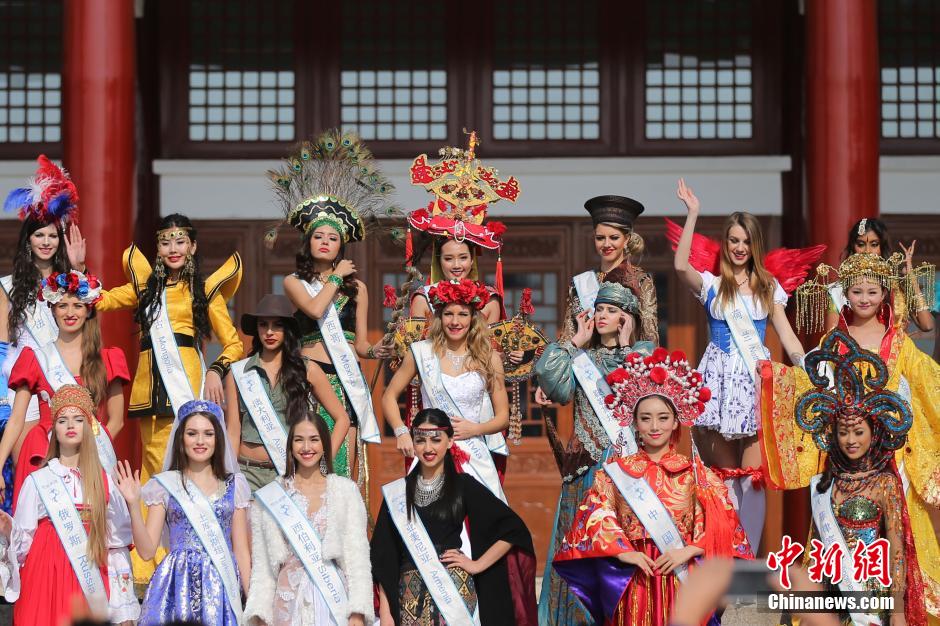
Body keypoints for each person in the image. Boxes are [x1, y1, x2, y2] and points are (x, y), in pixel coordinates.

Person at [762, 252, 940, 623]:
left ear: (885, 293)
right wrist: (774, 379)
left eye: (872, 291)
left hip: (893, 459)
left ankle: (898, 611)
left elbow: (926, 384)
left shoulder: (899, 341)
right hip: (845, 452)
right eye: (856, 291)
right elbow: (812, 384)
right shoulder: (834, 339)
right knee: (837, 533)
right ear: (845, 293)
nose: (863, 299)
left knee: (896, 534)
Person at [669, 178, 823, 552]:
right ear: (727, 243)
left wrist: (809, 368)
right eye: (733, 240)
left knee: (753, 477)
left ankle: (747, 555)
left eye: (745, 241)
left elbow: (786, 336)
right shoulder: (711, 284)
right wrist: (693, 214)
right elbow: (678, 264)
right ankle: (723, 547)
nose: (739, 248)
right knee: (722, 477)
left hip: (755, 384)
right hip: (718, 383)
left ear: (755, 246)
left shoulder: (770, 288)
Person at [552, 348, 752, 626]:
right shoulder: (616, 474)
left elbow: (724, 526)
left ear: (675, 422)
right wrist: (624, 551)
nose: (654, 426)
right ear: (634, 421)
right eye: (645, 418)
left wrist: (690, 550)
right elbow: (595, 518)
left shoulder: (697, 474)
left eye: (663, 418)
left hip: (683, 573)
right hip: (635, 575)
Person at [96, 213, 243, 581]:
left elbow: (235, 343)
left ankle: (161, 560)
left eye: (180, 241)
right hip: (150, 395)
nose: (173, 249)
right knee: (151, 470)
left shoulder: (204, 290)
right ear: (158, 250)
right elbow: (102, 300)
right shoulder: (146, 289)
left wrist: (215, 369)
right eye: (165, 242)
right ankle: (148, 558)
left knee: (173, 470)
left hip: (185, 388)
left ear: (192, 246)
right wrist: (76, 272)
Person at [272, 130, 396, 484]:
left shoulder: (358, 287)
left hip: (348, 378)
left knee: (345, 467)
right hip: (311, 377)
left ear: (341, 244)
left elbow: (358, 343)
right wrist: (336, 278)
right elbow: (313, 310)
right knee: (311, 456)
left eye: (333, 238)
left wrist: (377, 349)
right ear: (308, 241)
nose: (325, 242)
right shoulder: (294, 282)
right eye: (319, 236)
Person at [532, 281, 655, 625]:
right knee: (579, 549)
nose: (602, 316)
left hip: (627, 469)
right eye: (599, 309)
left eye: (612, 311)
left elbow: (647, 395)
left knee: (622, 550)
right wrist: (574, 341)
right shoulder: (580, 358)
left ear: (626, 318)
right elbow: (551, 381)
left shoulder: (642, 354)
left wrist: (628, 345)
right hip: (586, 469)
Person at [786, 329, 926, 625]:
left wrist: (898, 611)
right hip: (833, 595)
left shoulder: (884, 482)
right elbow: (818, 547)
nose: (851, 439)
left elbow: (898, 551)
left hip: (872, 597)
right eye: (843, 432)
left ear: (873, 434)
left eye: (858, 432)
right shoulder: (826, 481)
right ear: (832, 435)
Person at [370, 408, 537, 626]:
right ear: (413, 443)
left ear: (450, 441)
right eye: (420, 440)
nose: (428, 448)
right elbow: (384, 556)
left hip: (454, 591)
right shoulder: (398, 493)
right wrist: (386, 612)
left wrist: (476, 565)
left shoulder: (463, 485)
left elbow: (513, 529)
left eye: (436, 440)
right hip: (409, 597)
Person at [7, 385, 137, 626]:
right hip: (45, 579)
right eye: (62, 420)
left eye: (78, 419)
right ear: (54, 429)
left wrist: (124, 607)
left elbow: (117, 549)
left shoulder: (104, 482)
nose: (70, 425)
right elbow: (23, 542)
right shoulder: (38, 481)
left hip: (89, 578)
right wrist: (7, 530)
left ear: (88, 428)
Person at [114, 399, 250, 626]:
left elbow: (242, 551)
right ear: (181, 438)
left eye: (208, 434)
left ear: (218, 438)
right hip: (175, 584)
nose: (200, 441)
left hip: (221, 584)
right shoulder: (165, 485)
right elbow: (147, 551)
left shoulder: (235, 485)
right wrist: (134, 504)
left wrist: (254, 604)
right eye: (192, 433)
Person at [0, 155, 86, 510]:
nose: (47, 242)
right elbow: (3, 348)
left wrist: (79, 268)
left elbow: (85, 329)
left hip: (65, 384)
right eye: (39, 235)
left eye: (53, 235)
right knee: (31, 476)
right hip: (23, 391)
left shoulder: (71, 285)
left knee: (72, 475)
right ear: (27, 240)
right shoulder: (6, 287)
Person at [0, 270, 127, 500]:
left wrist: (88, 448)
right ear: (52, 309)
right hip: (45, 454)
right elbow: (17, 420)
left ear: (88, 310)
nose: (70, 313)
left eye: (77, 305)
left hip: (93, 454)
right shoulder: (35, 358)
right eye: (63, 306)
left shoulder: (108, 359)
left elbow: (116, 420)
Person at [382, 279, 510, 495]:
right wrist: (402, 432)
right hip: (431, 452)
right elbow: (388, 397)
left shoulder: (488, 358)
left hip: (474, 453)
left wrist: (475, 429)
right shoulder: (421, 352)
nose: (455, 321)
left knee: (479, 523)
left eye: (463, 314)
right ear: (439, 317)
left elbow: (503, 417)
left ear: (473, 318)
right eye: (449, 314)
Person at [244, 411, 372, 626]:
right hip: (287, 606)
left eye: (314, 439)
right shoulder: (272, 497)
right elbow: (264, 568)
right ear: (290, 446)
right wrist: (259, 615)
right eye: (299, 440)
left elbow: (357, 558)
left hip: (334, 605)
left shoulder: (345, 491)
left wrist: (358, 613)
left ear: (324, 444)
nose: (306, 447)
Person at [224, 293, 350, 488]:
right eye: (263, 324)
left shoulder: (307, 369)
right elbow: (233, 431)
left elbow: (342, 419)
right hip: (247, 475)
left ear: (288, 330)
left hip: (290, 474)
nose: (269, 332)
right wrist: (230, 477)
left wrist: (321, 465)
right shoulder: (239, 373)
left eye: (278, 325)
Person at [403, 131, 518, 325]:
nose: (457, 265)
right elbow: (415, 351)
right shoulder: (423, 299)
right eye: (449, 258)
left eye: (463, 257)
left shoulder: (489, 300)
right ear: (438, 260)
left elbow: (492, 352)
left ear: (472, 259)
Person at [560, 194, 659, 346]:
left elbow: (649, 336)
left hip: (626, 364)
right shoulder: (581, 283)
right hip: (586, 366)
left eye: (614, 237)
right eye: (600, 238)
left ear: (626, 239)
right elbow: (568, 335)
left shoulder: (640, 281)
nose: (606, 244)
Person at [824, 217, 934, 333]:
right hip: (855, 350)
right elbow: (831, 338)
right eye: (861, 244)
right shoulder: (838, 289)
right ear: (853, 247)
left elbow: (927, 325)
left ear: (882, 247)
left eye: (874, 244)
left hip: (898, 350)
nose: (867, 251)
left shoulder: (897, 284)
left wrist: (910, 277)